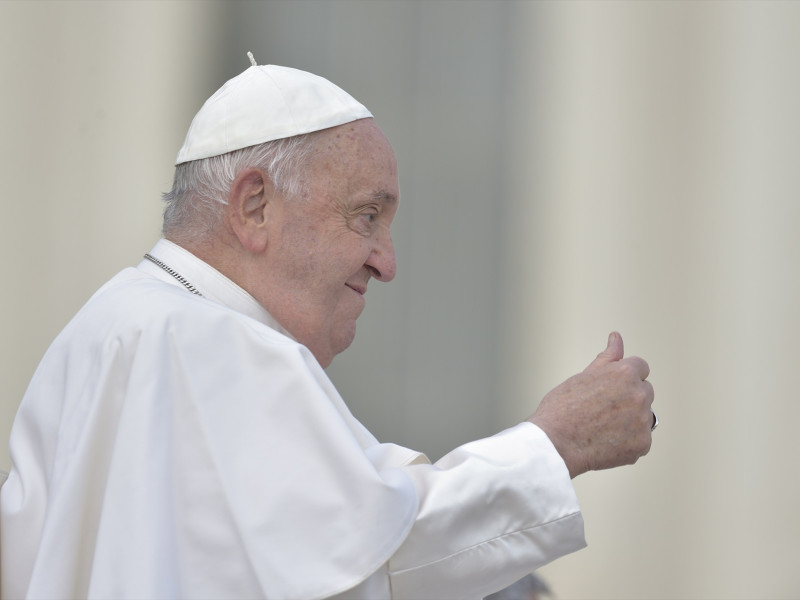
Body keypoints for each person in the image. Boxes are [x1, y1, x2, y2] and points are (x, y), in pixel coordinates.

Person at [0, 55, 656, 600]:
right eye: (365, 216)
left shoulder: (105, 329)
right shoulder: (209, 343)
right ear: (253, 205)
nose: (387, 262)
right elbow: (378, 564)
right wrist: (554, 445)